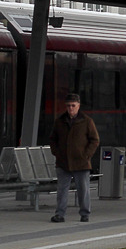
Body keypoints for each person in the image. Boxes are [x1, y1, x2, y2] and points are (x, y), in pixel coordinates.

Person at [48, 93, 100, 223]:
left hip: (81, 162)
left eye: (73, 105)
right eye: (68, 106)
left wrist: (86, 155)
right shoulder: (60, 121)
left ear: (78, 106)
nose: (70, 108)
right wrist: (57, 153)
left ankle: (85, 213)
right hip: (63, 161)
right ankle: (60, 214)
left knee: (83, 189)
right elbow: (53, 139)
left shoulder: (87, 121)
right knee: (62, 190)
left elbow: (95, 140)